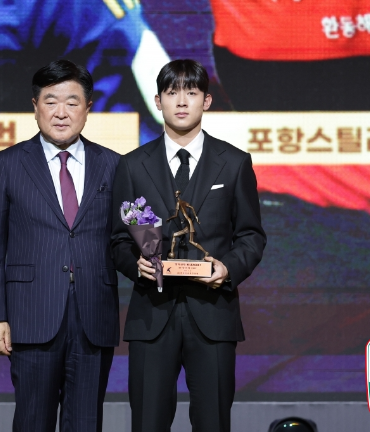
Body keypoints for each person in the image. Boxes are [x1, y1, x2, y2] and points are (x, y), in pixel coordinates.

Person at [111, 59, 267, 431]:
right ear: (157, 101)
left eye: (192, 93)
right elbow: (118, 239)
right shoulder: (132, 165)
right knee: (147, 422)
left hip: (213, 314)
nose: (182, 102)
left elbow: (251, 235)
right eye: (172, 93)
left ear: (207, 101)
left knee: (213, 422)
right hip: (151, 317)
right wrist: (136, 264)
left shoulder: (234, 163)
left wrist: (228, 268)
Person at [0, 60, 120, 432]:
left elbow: (129, 236)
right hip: (31, 315)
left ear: (88, 108)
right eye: (51, 101)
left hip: (93, 315)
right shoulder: (8, 164)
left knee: (86, 422)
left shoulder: (113, 165)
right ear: (35, 106)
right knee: (32, 421)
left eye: (72, 102)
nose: (61, 112)